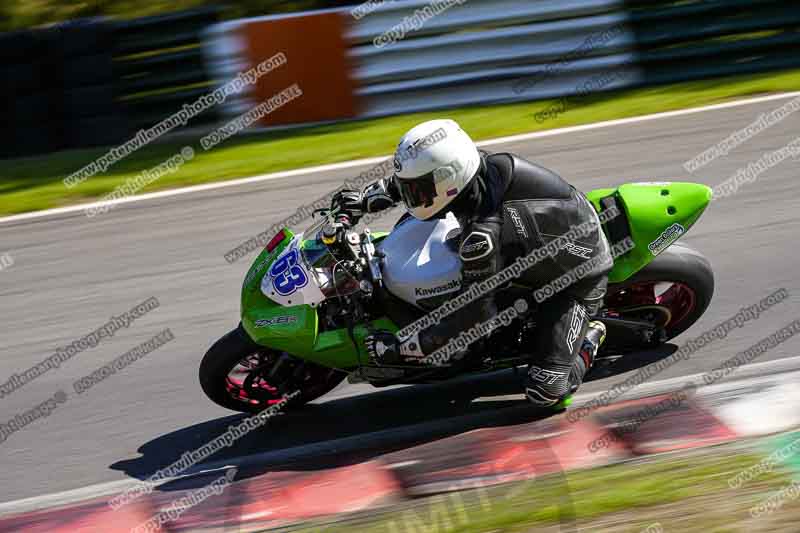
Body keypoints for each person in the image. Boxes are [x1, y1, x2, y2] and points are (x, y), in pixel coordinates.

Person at [333, 119, 611, 408]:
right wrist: (365, 198)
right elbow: (419, 179)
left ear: (448, 180)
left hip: (576, 277)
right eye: (408, 189)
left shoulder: (482, 237)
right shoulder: (474, 169)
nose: (410, 196)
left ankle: (591, 338)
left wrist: (405, 346)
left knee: (546, 391)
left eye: (416, 190)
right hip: (541, 235)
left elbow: (472, 319)